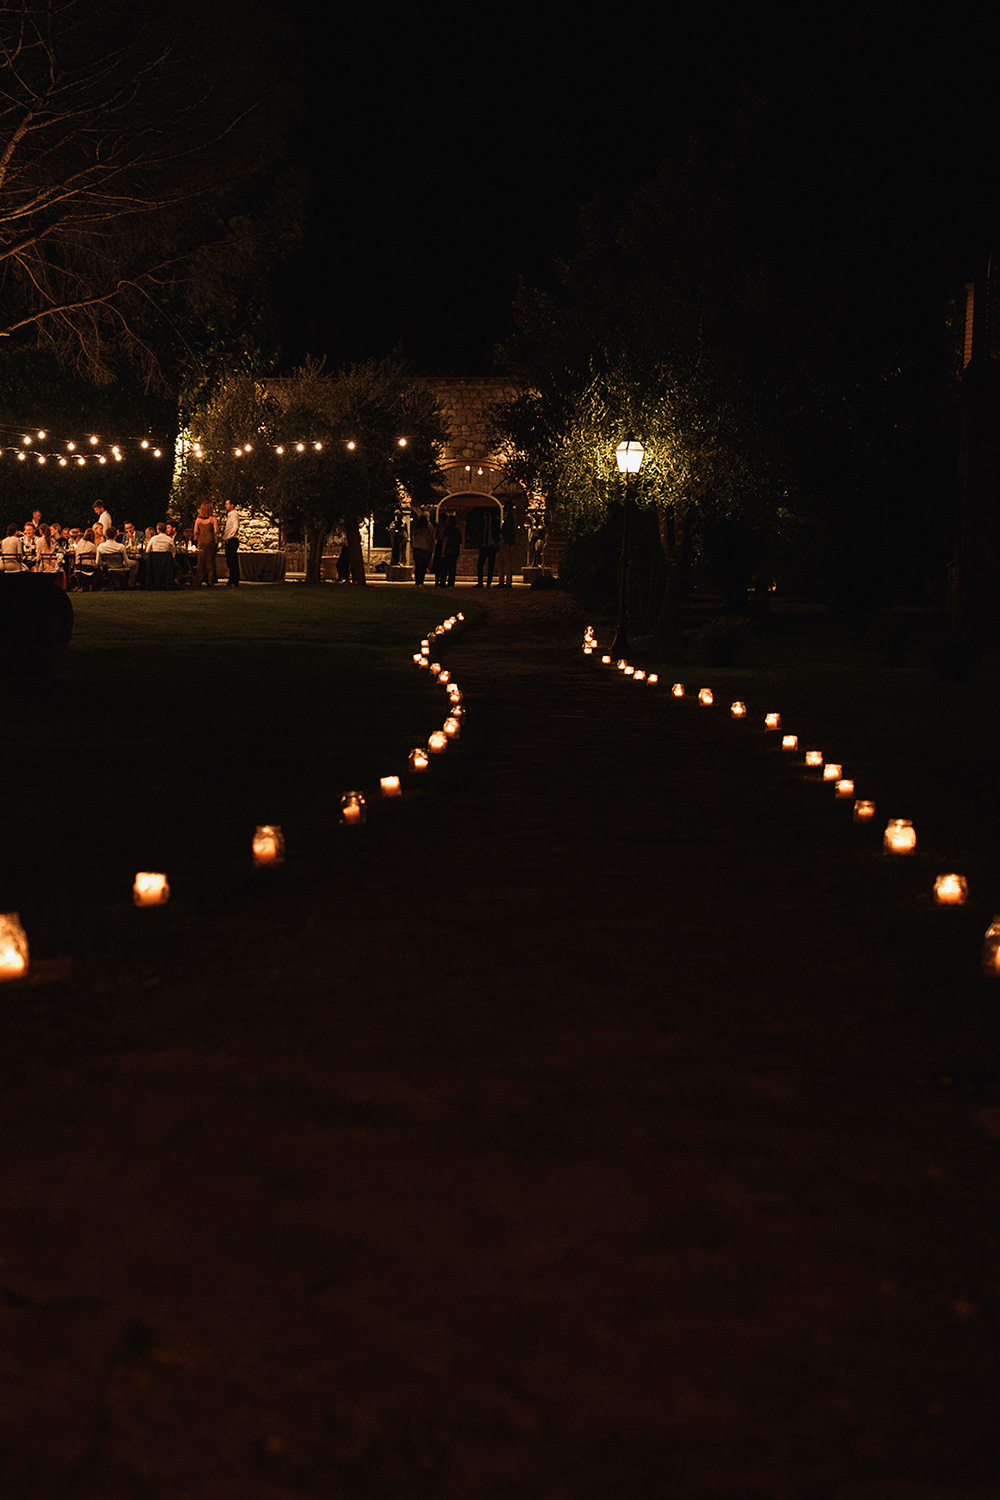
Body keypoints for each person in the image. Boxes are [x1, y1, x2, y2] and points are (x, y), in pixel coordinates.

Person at [193, 501, 218, 586]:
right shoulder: (212, 519)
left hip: (201, 542)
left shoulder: (198, 520)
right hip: (210, 542)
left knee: (201, 561)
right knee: (210, 561)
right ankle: (210, 580)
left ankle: (199, 580)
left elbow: (195, 531)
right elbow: (216, 531)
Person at [476, 507, 500, 588]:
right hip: (483, 546)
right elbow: (479, 535)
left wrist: (496, 544)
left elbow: (497, 534)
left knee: (491, 566)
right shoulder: (481, 526)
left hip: (491, 547)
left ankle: (488, 583)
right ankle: (480, 582)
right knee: (480, 565)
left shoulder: (494, 525)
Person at [410, 509, 434, 588]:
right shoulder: (426, 531)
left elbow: (413, 541)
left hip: (417, 550)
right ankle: (420, 582)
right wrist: (430, 548)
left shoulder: (416, 531)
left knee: (418, 567)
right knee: (423, 567)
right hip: (424, 550)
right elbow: (430, 540)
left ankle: (417, 582)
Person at [497, 507, 518, 588]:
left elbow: (510, 530)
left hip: (506, 542)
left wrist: (505, 539)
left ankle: (507, 582)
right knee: (502, 561)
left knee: (506, 561)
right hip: (505, 541)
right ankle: (503, 581)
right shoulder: (510, 517)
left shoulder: (510, 518)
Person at [223, 498, 241, 587]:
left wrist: (229, 537)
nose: (225, 506)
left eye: (227, 504)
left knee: (233, 561)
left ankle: (234, 580)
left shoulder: (234, 515)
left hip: (231, 540)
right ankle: (232, 579)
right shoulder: (230, 515)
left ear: (232, 505)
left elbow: (235, 526)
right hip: (229, 540)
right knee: (230, 561)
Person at [441, 513, 462, 588]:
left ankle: (443, 582)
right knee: (452, 568)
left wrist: (443, 551)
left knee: (445, 568)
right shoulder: (457, 531)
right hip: (455, 551)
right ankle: (451, 583)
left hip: (449, 550)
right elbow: (459, 541)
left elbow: (445, 540)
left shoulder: (448, 530)